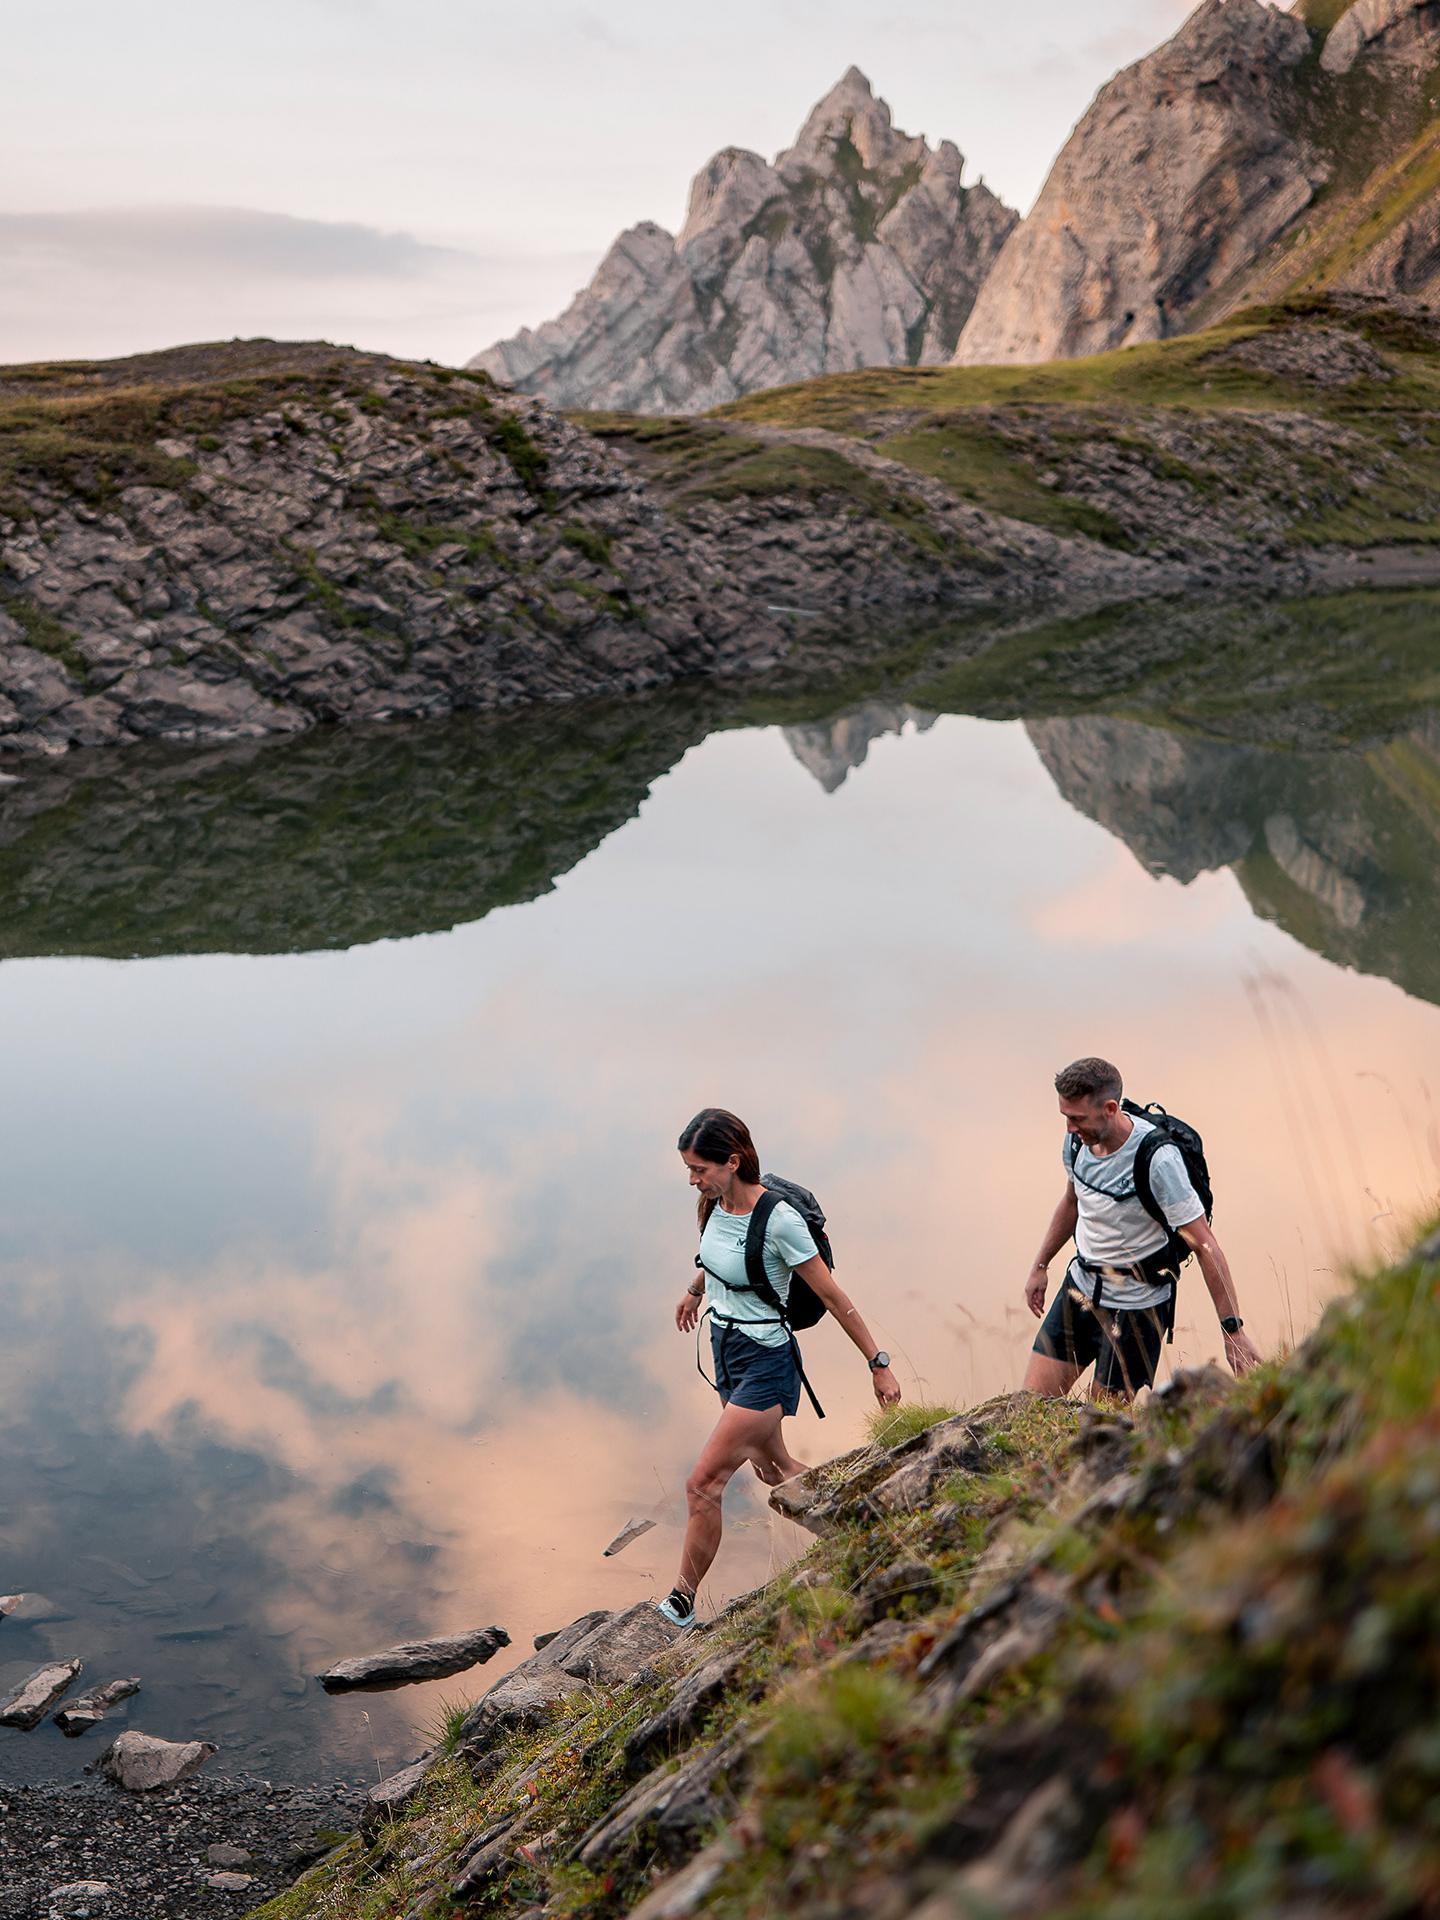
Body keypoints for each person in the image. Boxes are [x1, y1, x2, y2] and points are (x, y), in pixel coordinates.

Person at [657, 1108, 901, 1628]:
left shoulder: (781, 1221)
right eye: (689, 1170)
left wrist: (878, 1363)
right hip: (725, 1350)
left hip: (766, 1360)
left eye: (699, 1169)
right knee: (774, 1470)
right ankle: (866, 1530)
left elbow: (833, 1296)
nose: (692, 1180)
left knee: (703, 1483)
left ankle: (678, 1603)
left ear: (733, 1160)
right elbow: (715, 1255)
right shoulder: (713, 1204)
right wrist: (693, 1291)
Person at [1023, 1057, 1262, 1403]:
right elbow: (1072, 1201)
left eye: (1076, 1119)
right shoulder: (1076, 1144)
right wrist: (1041, 1265)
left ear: (1109, 1108)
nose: (1069, 1129)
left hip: (1138, 1309)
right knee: (1029, 1407)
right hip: (1080, 1291)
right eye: (1065, 1117)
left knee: (1103, 1427)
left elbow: (1204, 1244)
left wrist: (1233, 1331)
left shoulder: (1158, 1160)